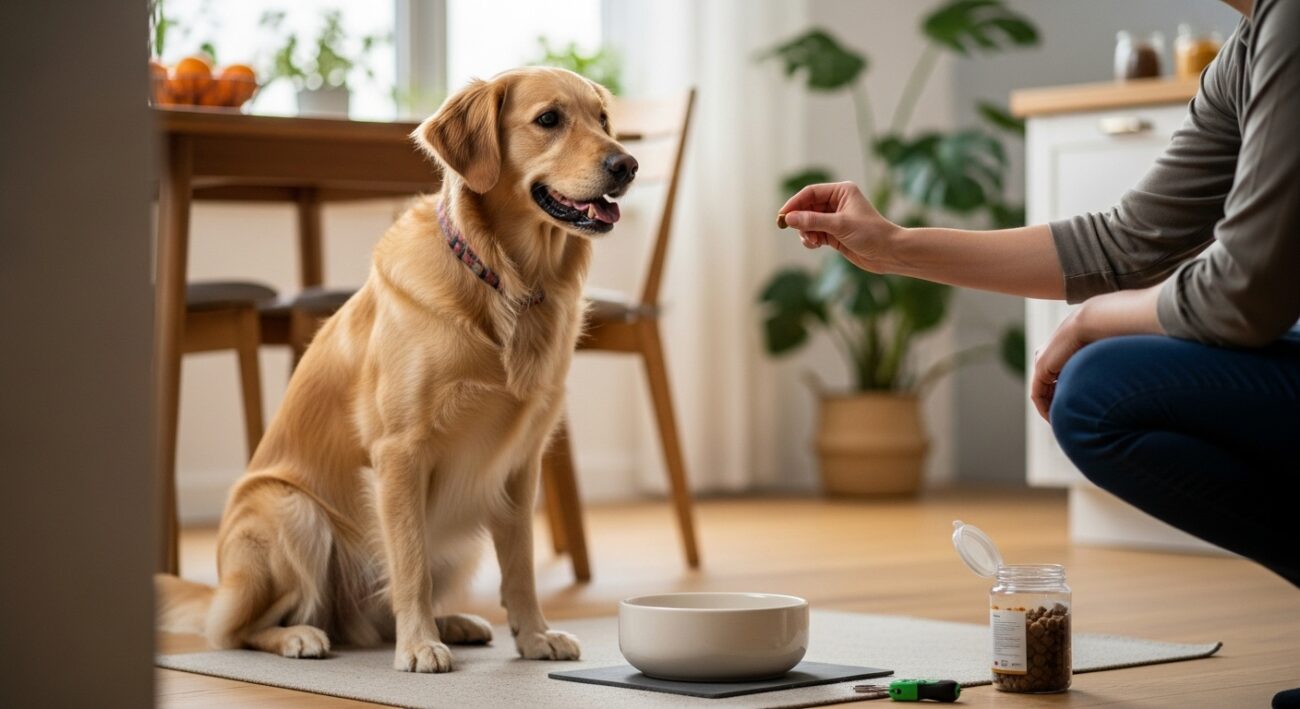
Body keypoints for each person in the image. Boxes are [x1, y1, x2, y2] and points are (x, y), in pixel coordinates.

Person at [779, 0, 1297, 705]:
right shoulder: (1253, 44)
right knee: (1101, 381)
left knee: (1099, 393)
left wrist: (1095, 320)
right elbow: (1125, 241)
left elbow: (1241, 295)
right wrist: (893, 245)